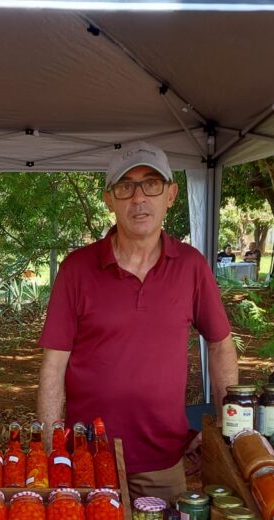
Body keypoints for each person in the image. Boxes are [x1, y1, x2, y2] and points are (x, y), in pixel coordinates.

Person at [37, 142, 239, 501]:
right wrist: (54, 450)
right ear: (109, 200)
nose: (139, 197)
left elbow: (221, 344)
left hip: (163, 460)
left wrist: (226, 426)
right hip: (89, 458)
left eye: (151, 184)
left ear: (171, 195)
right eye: (125, 187)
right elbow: (53, 366)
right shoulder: (77, 269)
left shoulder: (191, 266)